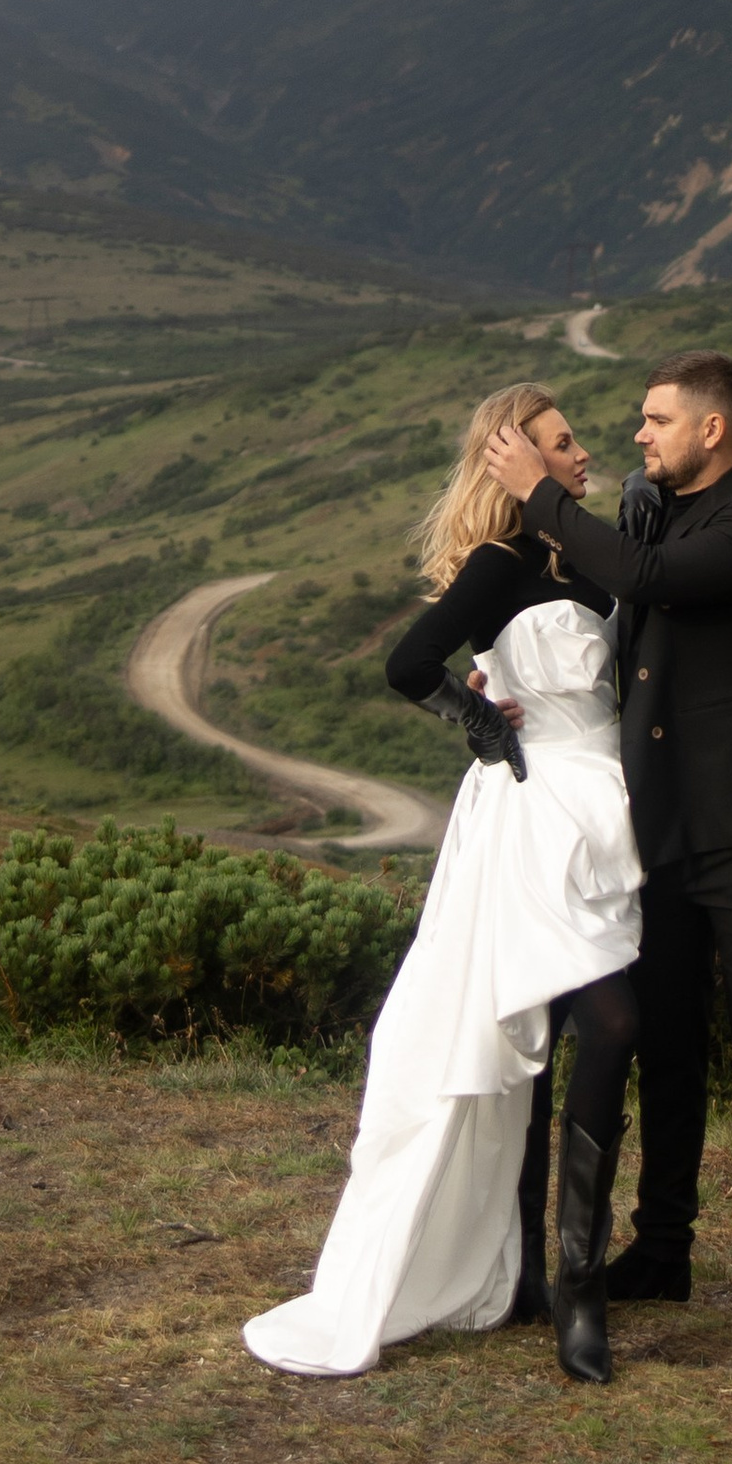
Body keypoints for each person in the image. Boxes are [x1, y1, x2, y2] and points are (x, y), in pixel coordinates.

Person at [242, 385, 645, 1385]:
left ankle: (538, 1277)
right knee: (598, 1020)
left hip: (605, 806)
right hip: (532, 813)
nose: (583, 454)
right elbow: (408, 660)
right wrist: (476, 720)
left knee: (562, 1036)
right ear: (517, 460)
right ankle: (570, 1289)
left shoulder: (586, 553)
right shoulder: (502, 561)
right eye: (562, 443)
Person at [484, 350, 732, 1364]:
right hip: (661, 833)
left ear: (711, 430)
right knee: (667, 1047)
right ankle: (663, 1250)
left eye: (657, 419)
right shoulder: (650, 516)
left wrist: (542, 495)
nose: (637, 433)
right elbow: (593, 629)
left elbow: (643, 580)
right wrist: (490, 684)